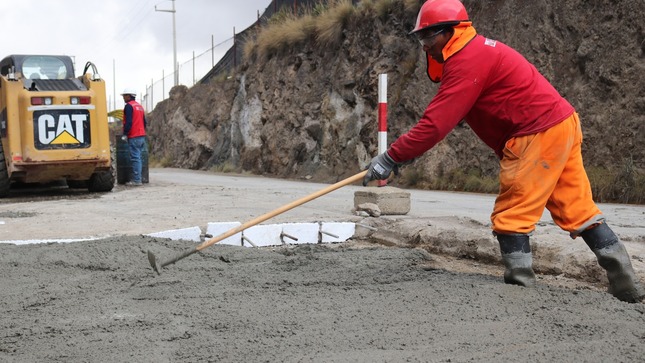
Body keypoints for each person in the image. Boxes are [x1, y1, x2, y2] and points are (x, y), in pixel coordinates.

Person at [363, 0, 644, 303]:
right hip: (560, 124)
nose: (425, 46)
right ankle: (625, 286)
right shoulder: (479, 50)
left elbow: (435, 125)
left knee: (512, 216)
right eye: (421, 38)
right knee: (579, 210)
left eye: (428, 37)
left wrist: (391, 157)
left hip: (535, 133)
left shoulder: (467, 60)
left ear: (450, 31)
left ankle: (520, 291)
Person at [121, 88, 147, 186]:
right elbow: (144, 122)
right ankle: (139, 178)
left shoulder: (129, 106)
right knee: (138, 157)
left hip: (134, 135)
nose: (123, 97)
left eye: (124, 95)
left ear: (129, 96)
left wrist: (125, 134)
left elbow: (128, 122)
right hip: (141, 135)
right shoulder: (139, 106)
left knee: (135, 157)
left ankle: (137, 180)